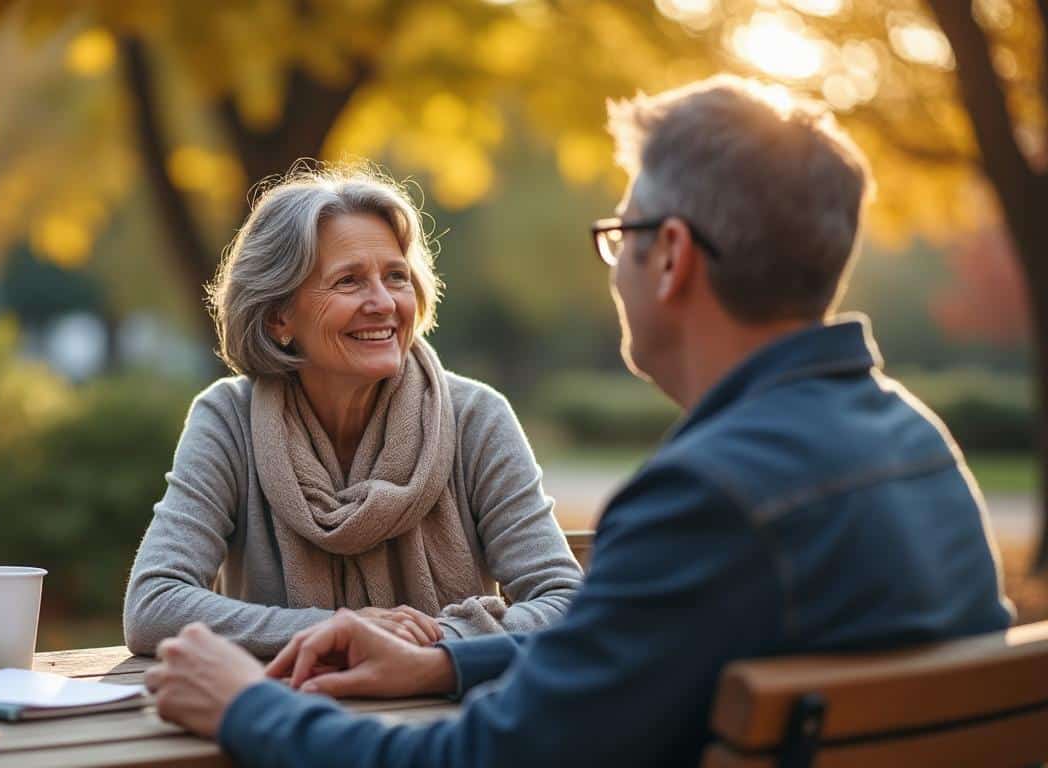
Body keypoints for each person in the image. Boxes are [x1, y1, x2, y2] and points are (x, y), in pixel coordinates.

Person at [144, 76, 1016, 766]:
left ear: (670, 257)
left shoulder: (707, 499)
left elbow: (482, 757)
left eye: (620, 233)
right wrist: (449, 661)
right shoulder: (922, 449)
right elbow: (614, 652)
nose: (613, 265)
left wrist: (248, 707)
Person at [122, 165, 584, 658]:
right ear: (278, 316)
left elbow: (567, 601)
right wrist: (335, 630)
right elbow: (153, 604)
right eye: (349, 281)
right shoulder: (228, 420)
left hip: (450, 701)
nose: (383, 303)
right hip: (283, 700)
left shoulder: (476, 418)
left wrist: (440, 648)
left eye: (396, 277)